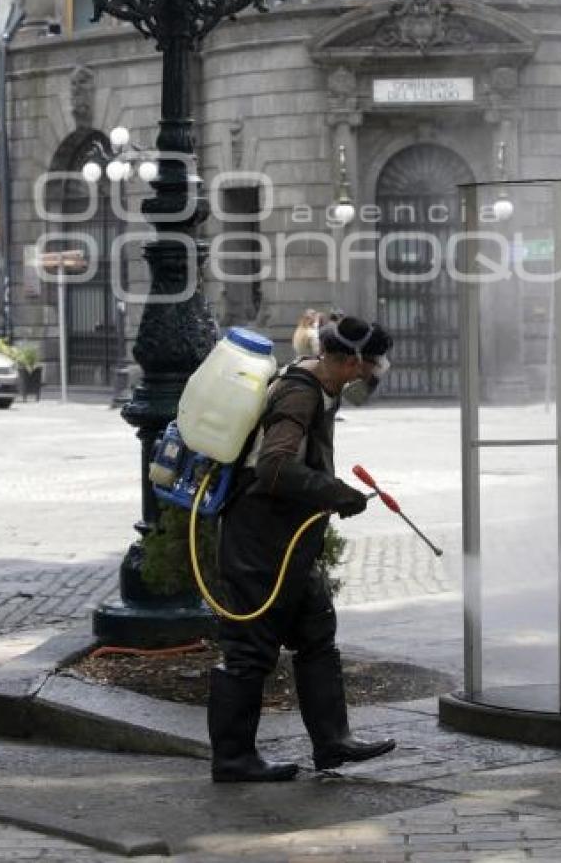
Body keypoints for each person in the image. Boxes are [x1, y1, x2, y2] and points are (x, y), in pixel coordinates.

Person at [208, 315, 395, 783]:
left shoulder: (318, 386)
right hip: (259, 543)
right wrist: (334, 492)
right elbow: (273, 468)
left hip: (288, 542)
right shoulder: (300, 392)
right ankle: (233, 759)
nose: (372, 377)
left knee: (315, 633)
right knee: (248, 650)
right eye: (371, 367)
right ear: (351, 361)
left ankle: (333, 742)